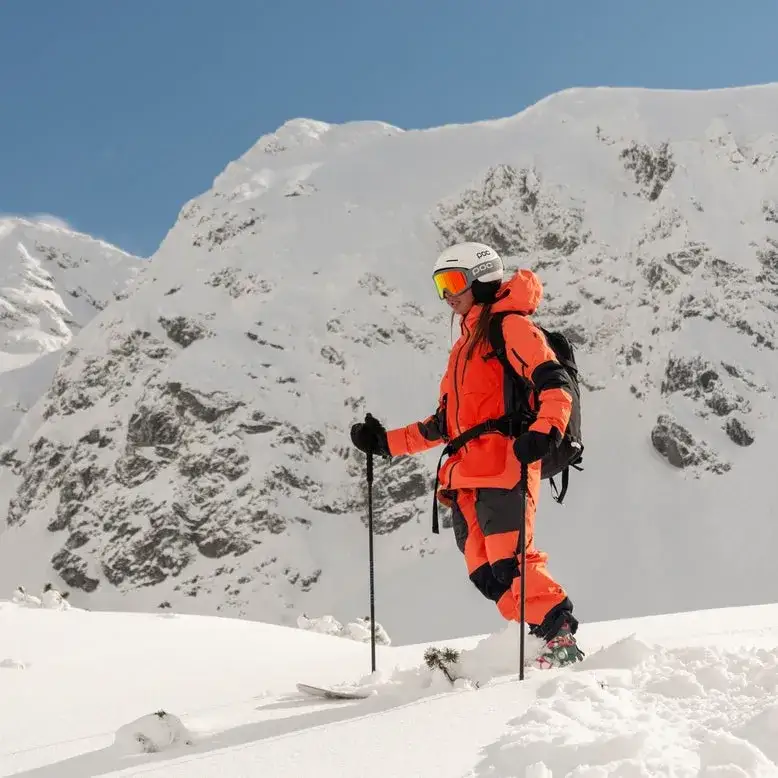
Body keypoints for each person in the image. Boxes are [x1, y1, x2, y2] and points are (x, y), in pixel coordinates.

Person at [350, 241, 583, 669]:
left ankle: (559, 635)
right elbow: (444, 424)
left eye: (454, 282)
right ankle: (540, 642)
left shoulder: (510, 328)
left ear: (482, 276)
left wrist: (544, 431)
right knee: (487, 572)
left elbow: (554, 384)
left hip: (506, 464)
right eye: (440, 285)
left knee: (511, 561)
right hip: (466, 478)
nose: (447, 295)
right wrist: (384, 443)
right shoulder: (465, 347)